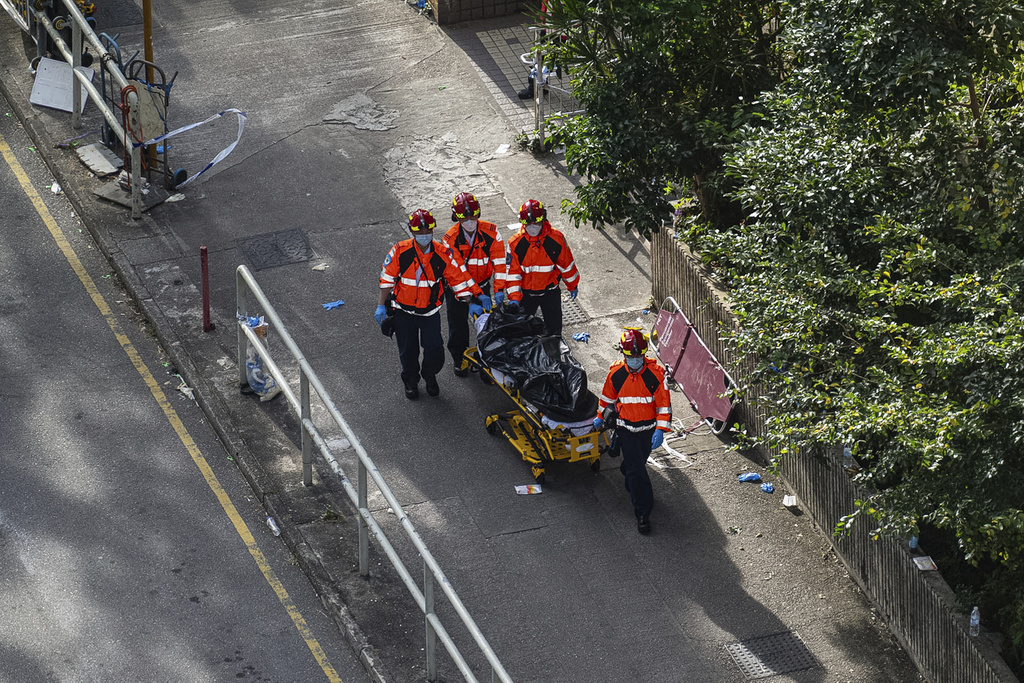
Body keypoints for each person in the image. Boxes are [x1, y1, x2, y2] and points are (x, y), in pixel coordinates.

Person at [375, 209, 488, 400]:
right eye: (420, 232)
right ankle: (411, 382)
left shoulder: (442, 253)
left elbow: (456, 280)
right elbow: (387, 280)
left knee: (435, 350)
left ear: (432, 230)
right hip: (404, 312)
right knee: (408, 352)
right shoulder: (400, 252)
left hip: (430, 313)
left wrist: (470, 301)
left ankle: (430, 375)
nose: (424, 235)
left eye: (428, 231)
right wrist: (380, 305)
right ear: (412, 232)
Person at [593, 329, 672, 535]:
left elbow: (663, 405)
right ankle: (643, 513)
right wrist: (600, 417)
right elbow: (607, 398)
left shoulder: (655, 375)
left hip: (647, 431)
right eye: (631, 357)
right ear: (624, 355)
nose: (635, 360)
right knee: (637, 472)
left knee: (634, 466)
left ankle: (627, 471)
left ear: (644, 354)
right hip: (626, 429)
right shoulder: (616, 374)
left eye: (638, 356)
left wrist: (661, 430)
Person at [442, 192, 504, 377]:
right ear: (457, 218)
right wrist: (472, 300)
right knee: (458, 325)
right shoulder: (450, 239)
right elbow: (459, 271)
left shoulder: (492, 233)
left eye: (473, 217)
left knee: (486, 326)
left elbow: (499, 264)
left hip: (483, 284)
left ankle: (487, 362)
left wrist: (499, 290)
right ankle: (459, 358)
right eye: (465, 218)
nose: (470, 221)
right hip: (457, 288)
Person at [504, 199, 580, 338]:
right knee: (522, 334)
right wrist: (514, 298)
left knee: (554, 333)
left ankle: (553, 356)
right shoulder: (515, 244)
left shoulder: (556, 239)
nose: (532, 227)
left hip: (550, 293)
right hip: (526, 295)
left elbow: (566, 265)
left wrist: (572, 285)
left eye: (536, 223)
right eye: (528, 223)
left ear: (543, 219)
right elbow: (513, 274)